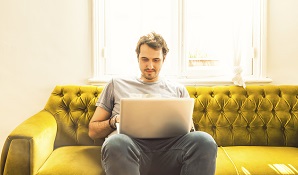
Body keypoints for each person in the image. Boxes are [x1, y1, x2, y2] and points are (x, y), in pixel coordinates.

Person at [88, 32, 217, 175]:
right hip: (129, 148)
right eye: (145, 59)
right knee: (115, 143)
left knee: (205, 140)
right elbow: (93, 131)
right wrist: (115, 121)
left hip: (170, 150)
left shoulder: (178, 90)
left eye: (156, 60)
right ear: (137, 58)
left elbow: (190, 132)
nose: (150, 65)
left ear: (164, 59)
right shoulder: (116, 85)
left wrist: (184, 125)